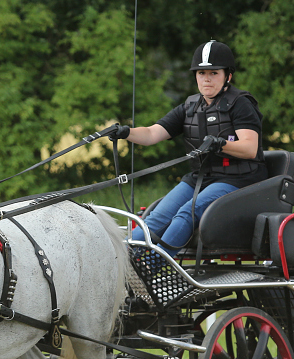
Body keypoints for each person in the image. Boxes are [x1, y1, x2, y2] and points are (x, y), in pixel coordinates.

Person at [109, 40, 268, 256]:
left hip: (236, 180)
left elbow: (250, 148)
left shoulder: (240, 103)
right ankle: (121, 262)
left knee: (185, 214)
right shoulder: (191, 106)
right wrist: (126, 132)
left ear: (228, 76)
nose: (207, 79)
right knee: (157, 218)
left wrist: (221, 143)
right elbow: (152, 134)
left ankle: (154, 267)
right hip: (199, 178)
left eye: (214, 73)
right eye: (201, 73)